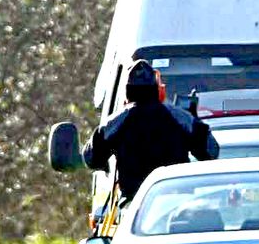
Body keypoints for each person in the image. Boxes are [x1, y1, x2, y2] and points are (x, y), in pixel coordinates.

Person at [82, 59, 219, 203]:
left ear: (127, 91)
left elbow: (91, 158)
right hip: (178, 202)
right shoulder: (181, 118)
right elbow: (211, 151)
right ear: (157, 89)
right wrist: (195, 124)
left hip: (134, 207)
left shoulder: (116, 122)